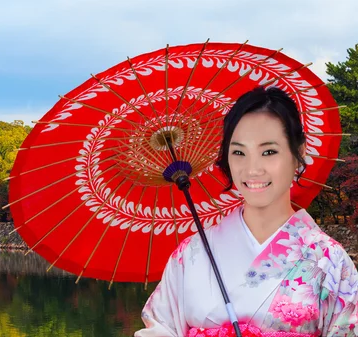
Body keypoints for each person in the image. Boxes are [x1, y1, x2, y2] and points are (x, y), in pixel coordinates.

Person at [134, 86, 358, 337]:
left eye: (269, 152)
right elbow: (159, 328)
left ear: (299, 153)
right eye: (239, 152)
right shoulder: (191, 254)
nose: (252, 169)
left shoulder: (329, 261)